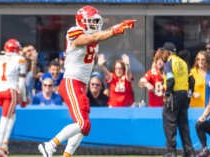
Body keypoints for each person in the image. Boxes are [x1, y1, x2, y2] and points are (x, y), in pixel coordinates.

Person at [38, 5, 136, 157]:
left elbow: (99, 34)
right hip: (71, 82)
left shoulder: (93, 34)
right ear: (82, 21)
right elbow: (92, 38)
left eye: (96, 21)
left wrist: (120, 25)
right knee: (82, 123)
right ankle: (49, 145)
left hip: (81, 85)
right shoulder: (74, 32)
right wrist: (115, 30)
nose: (95, 25)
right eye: (91, 21)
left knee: (85, 127)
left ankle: (66, 155)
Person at [0, 39, 28, 157]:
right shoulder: (20, 59)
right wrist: (23, 97)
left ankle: (4, 145)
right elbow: (22, 82)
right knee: (5, 119)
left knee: (12, 116)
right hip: (10, 91)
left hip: (0, 90)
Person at [161, 42, 195, 157]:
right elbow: (192, 81)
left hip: (173, 96)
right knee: (184, 126)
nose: (162, 54)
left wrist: (167, 95)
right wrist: (189, 95)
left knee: (170, 124)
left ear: (168, 52)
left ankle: (171, 152)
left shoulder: (168, 64)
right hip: (184, 96)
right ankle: (189, 152)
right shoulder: (184, 63)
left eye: (163, 51)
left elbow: (170, 80)